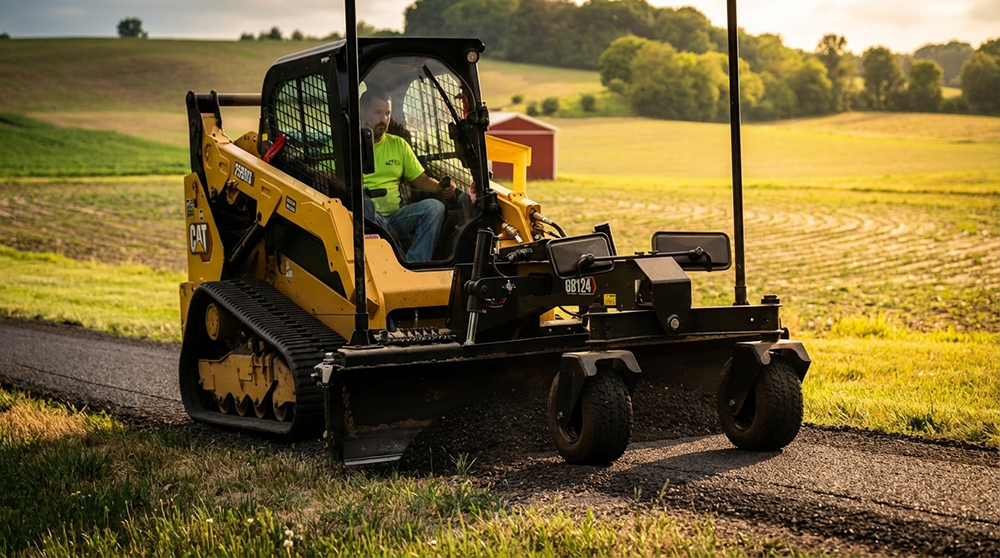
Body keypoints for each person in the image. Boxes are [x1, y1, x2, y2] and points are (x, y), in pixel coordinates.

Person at [359, 89, 457, 262]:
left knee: (434, 207)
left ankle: (413, 263)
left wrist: (440, 188)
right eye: (378, 113)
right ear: (362, 111)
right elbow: (328, 179)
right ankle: (394, 248)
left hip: (396, 219)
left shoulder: (398, 145)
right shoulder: (344, 144)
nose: (384, 119)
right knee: (363, 204)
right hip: (363, 220)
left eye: (387, 113)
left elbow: (419, 178)